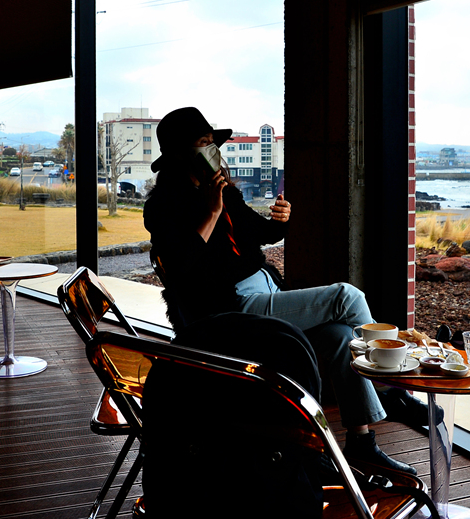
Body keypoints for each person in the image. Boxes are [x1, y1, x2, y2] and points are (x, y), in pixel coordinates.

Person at [143, 107, 417, 474]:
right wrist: (210, 213)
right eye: (203, 143)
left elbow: (260, 234)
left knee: (339, 336)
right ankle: (390, 389)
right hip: (230, 310)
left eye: (213, 143)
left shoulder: (223, 191)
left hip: (265, 291)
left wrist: (279, 220)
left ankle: (361, 443)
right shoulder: (163, 205)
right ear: (179, 154)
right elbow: (179, 267)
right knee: (347, 296)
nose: (213, 150)